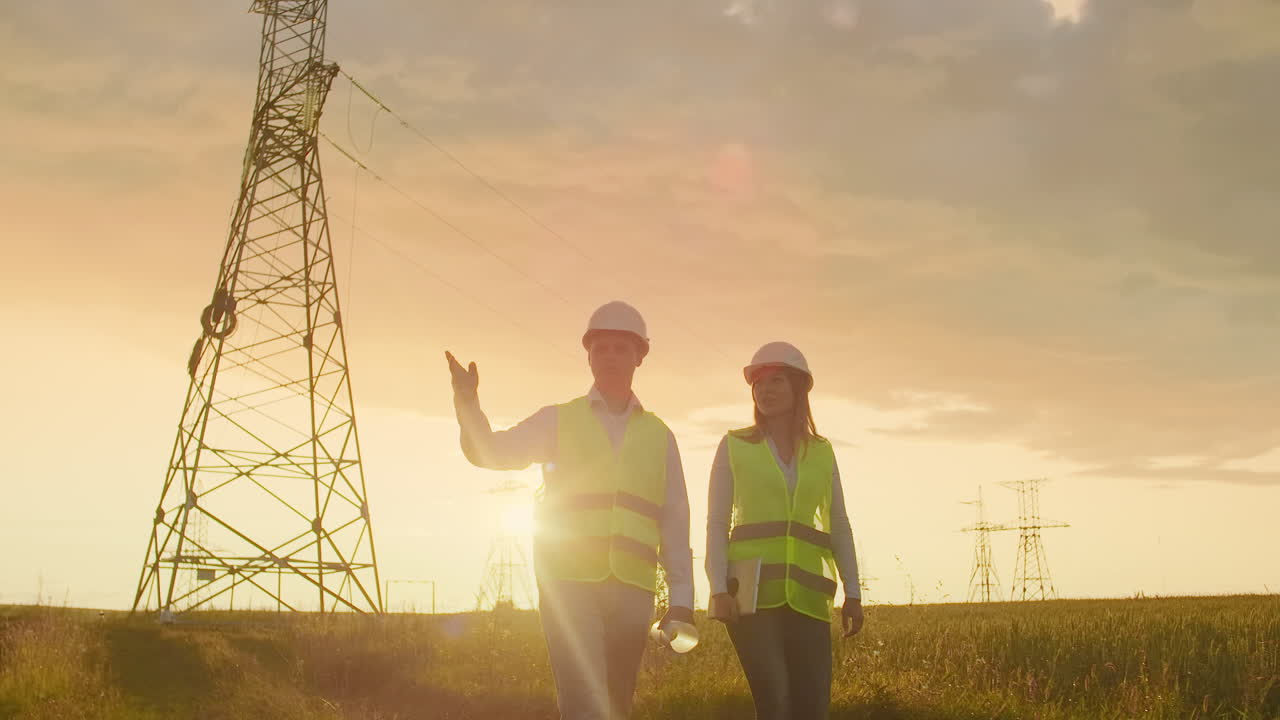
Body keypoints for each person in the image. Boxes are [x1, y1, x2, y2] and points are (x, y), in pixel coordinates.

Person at [447, 301, 695, 720]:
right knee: (584, 699)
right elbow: (490, 452)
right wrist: (468, 403)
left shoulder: (660, 435)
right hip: (569, 585)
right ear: (589, 356)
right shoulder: (557, 421)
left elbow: (675, 521)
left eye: (621, 348)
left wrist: (682, 600)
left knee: (617, 702)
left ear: (640, 356)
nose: (610, 356)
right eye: (601, 348)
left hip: (634, 589)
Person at [705, 341, 864, 720]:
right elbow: (716, 522)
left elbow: (838, 522)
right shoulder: (734, 445)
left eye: (776, 380)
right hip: (751, 597)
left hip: (809, 597)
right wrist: (717, 588)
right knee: (774, 701)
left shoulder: (822, 451)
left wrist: (854, 592)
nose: (766, 390)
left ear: (799, 387)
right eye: (759, 383)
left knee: (813, 707)